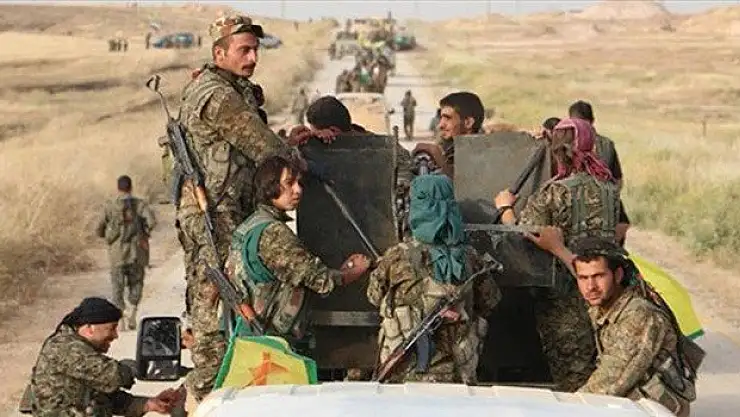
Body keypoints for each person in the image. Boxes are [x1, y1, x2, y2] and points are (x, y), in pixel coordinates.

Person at [176, 14, 298, 405]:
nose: (252, 58)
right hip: (214, 213)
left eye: (255, 50)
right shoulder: (217, 95)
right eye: (243, 50)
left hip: (230, 210)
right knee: (216, 302)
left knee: (239, 299)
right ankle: (208, 393)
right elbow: (265, 148)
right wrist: (300, 161)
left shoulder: (233, 88)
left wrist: (295, 141)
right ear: (219, 53)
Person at [493, 117, 620, 392]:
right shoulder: (609, 189)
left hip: (563, 298)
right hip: (603, 291)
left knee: (571, 378)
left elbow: (522, 234)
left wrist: (505, 208)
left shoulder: (555, 191)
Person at [527, 230, 697, 417]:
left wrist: (562, 410)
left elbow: (608, 384)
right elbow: (582, 271)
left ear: (617, 275)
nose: (590, 287)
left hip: (651, 410)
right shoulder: (604, 301)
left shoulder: (638, 316)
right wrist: (558, 249)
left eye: (599, 276)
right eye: (583, 278)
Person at [225, 155, 370, 349]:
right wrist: (352, 272)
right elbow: (319, 280)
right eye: (289, 183)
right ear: (270, 186)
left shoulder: (249, 226)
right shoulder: (274, 233)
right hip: (269, 341)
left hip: (247, 338)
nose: (298, 190)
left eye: (299, 183)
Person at [367, 174, 501, 383]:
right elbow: (490, 301)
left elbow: (374, 296)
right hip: (458, 374)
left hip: (404, 376)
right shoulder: (471, 258)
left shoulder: (396, 257)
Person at [26, 297, 181, 416]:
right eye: (112, 328)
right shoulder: (67, 347)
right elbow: (113, 377)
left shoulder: (79, 349)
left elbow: (102, 397)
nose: (115, 335)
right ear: (89, 328)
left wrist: (147, 404)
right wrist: (132, 368)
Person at [291, 95, 414, 191]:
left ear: (333, 131)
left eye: (316, 134)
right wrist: (292, 145)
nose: (316, 139)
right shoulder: (314, 152)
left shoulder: (385, 149)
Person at [95, 175, 156, 331]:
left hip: (117, 255)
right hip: (137, 253)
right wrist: (144, 233)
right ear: (131, 187)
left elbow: (98, 229)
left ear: (118, 188)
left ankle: (121, 317)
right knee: (136, 283)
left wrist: (109, 236)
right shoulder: (140, 204)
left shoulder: (109, 206)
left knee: (117, 286)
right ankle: (133, 311)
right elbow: (151, 221)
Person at [568, 100, 631, 245]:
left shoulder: (567, 143)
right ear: (592, 120)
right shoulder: (607, 144)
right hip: (608, 206)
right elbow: (618, 181)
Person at [435, 92, 485, 178]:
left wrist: (436, 155)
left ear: (468, 123)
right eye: (441, 118)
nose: (440, 125)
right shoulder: (451, 148)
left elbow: (463, 181)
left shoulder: (483, 154)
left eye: (448, 118)